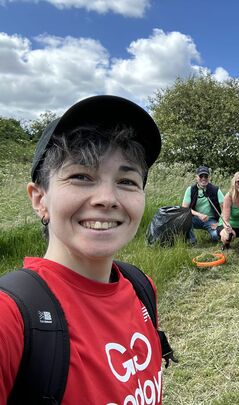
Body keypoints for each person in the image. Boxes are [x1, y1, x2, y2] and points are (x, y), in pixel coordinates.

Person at [0, 95, 165, 403]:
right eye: (80, 176)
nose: (107, 198)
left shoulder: (141, 287)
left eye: (127, 181)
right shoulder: (10, 319)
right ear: (39, 199)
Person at [181, 166, 224, 244]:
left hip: (211, 220)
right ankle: (192, 241)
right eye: (201, 176)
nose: (203, 178)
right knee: (184, 219)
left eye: (206, 176)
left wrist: (219, 223)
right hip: (195, 219)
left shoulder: (216, 190)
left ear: (209, 177)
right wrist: (199, 214)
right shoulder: (190, 190)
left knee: (216, 236)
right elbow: (184, 208)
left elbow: (225, 209)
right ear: (196, 177)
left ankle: (213, 239)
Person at [217, 170, 239, 249]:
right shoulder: (229, 196)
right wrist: (228, 228)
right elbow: (225, 220)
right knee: (228, 236)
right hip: (226, 224)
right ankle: (226, 243)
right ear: (234, 183)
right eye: (238, 182)